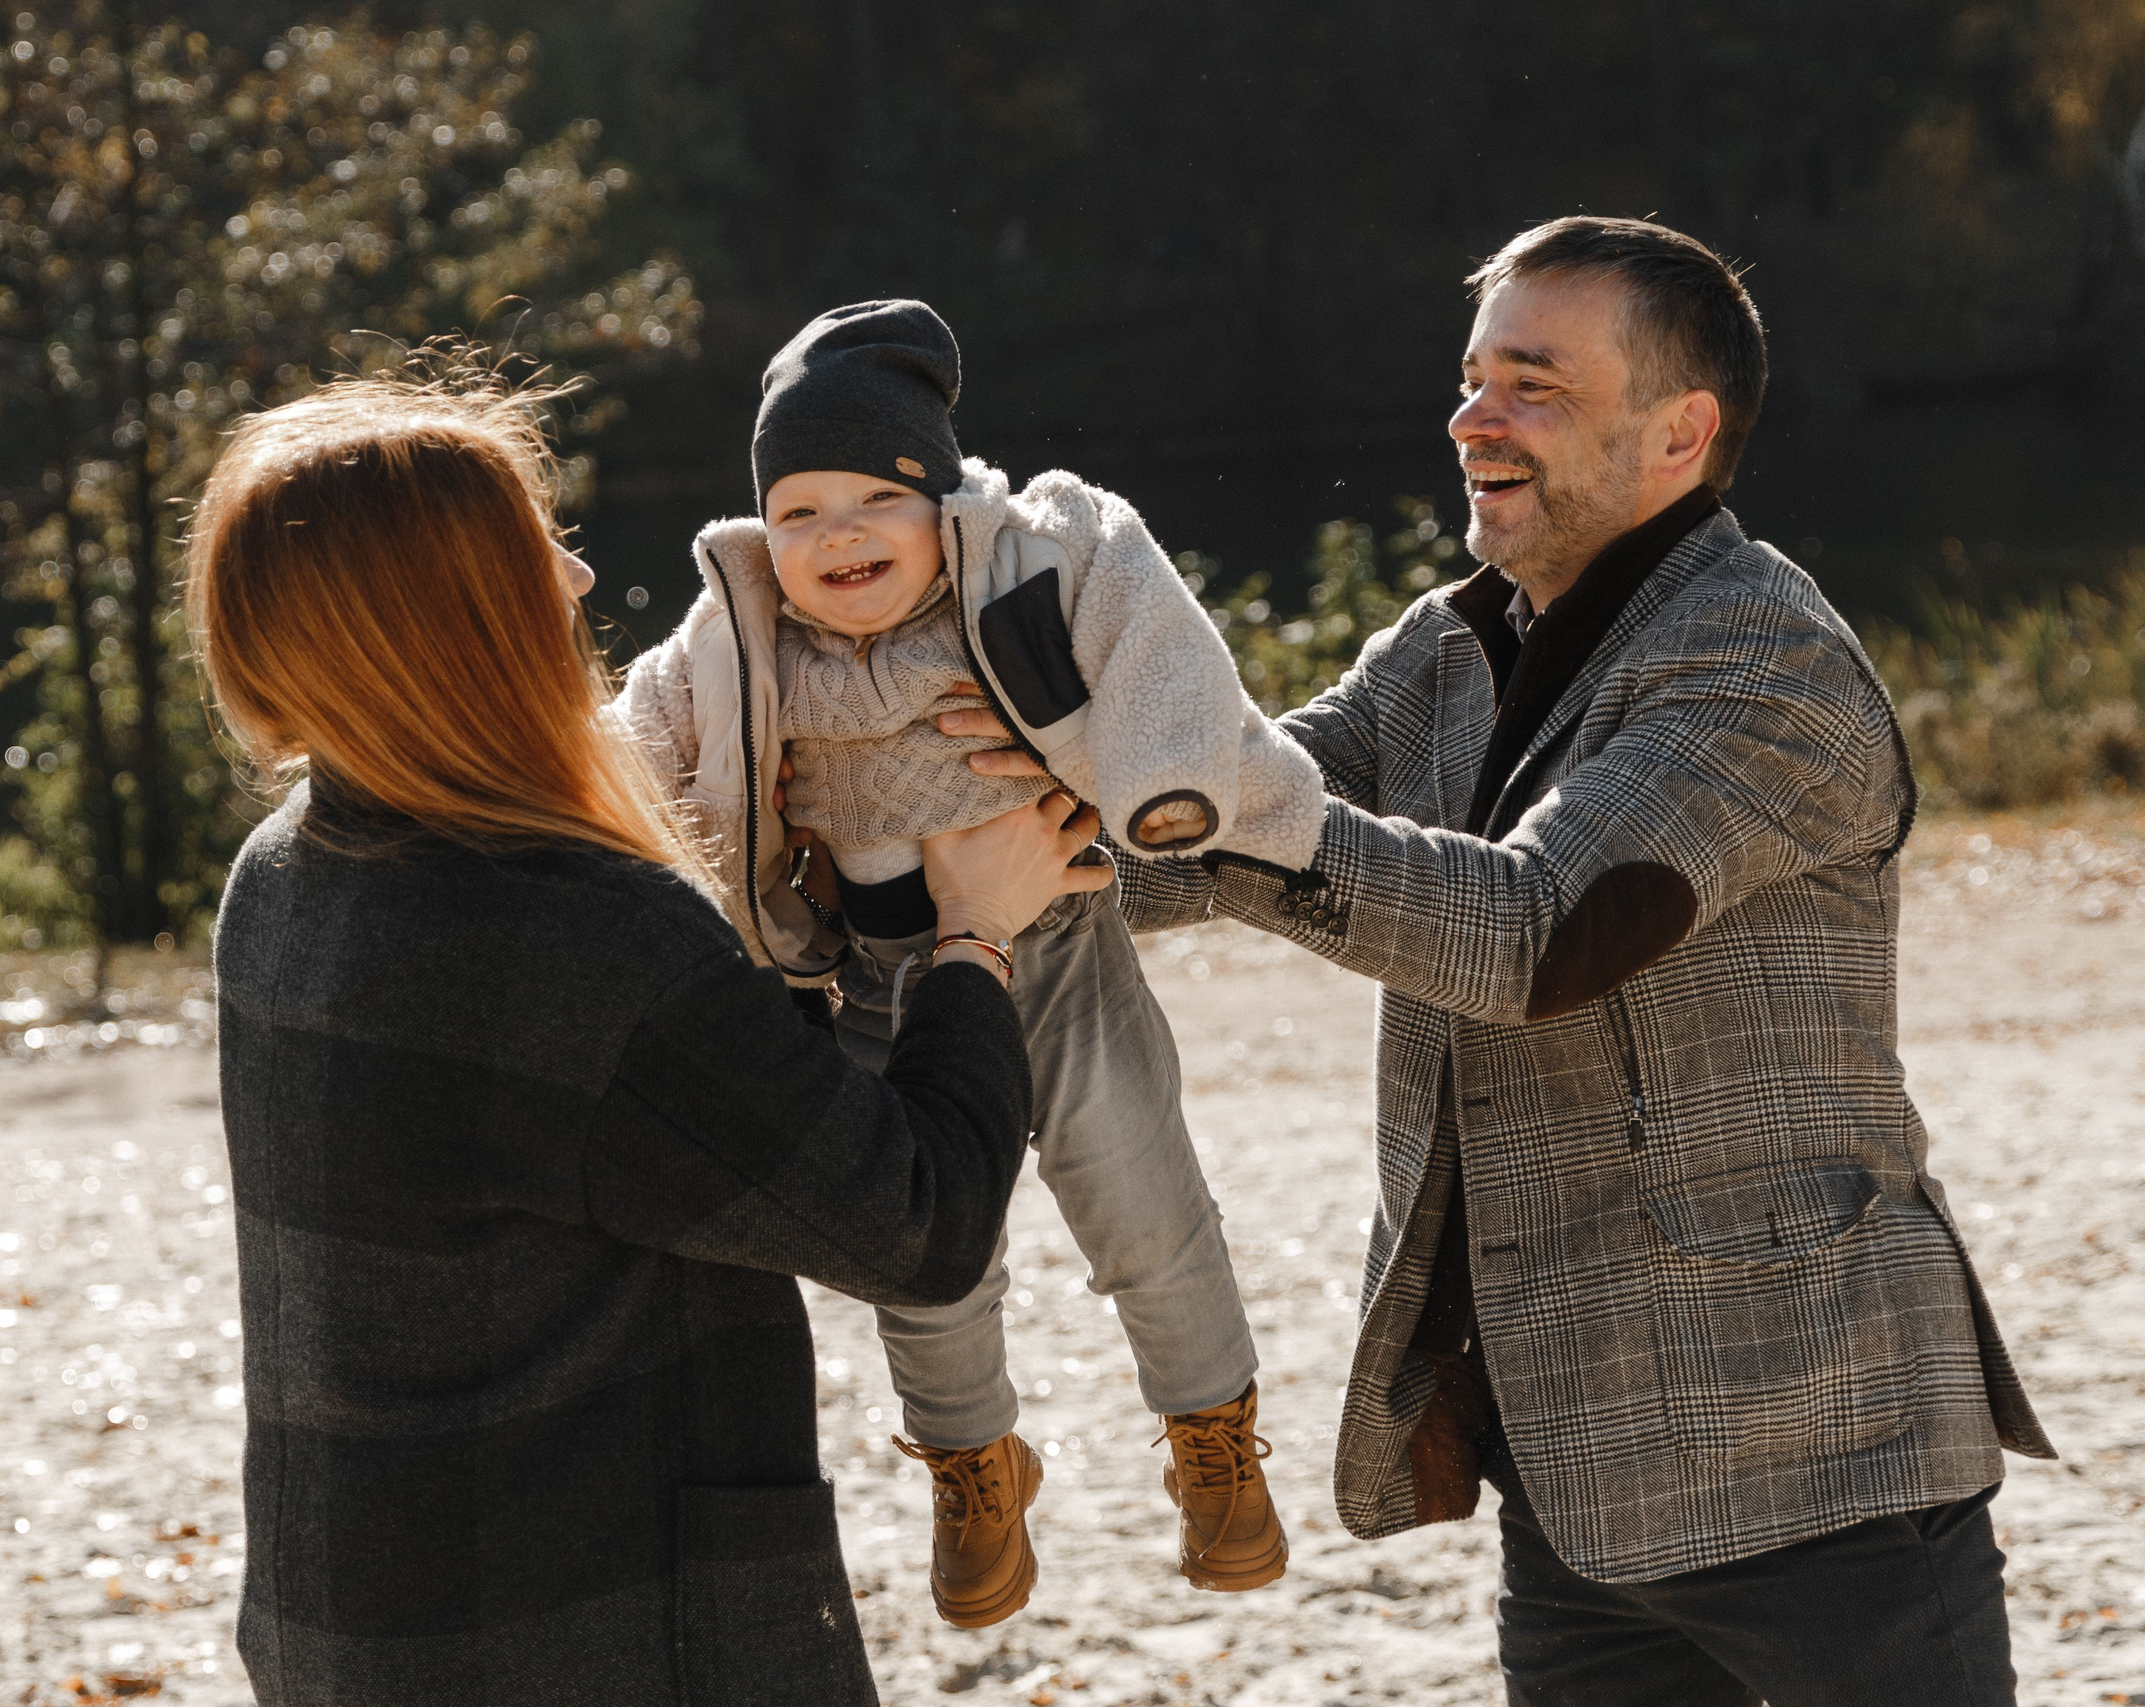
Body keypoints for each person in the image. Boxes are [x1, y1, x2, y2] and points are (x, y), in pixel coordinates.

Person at [946, 217, 2054, 1704]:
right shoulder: (1450, 640)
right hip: (1573, 1477)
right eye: (1474, 379)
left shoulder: (1759, 656)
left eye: (1533, 384)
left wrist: (1210, 813)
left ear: (1681, 432)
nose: (1474, 416)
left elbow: (1536, 932)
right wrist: (957, 844)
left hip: (1822, 1460)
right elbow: (1218, 825)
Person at [185, 370, 1112, 1706]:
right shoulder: (573, 936)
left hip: (352, 1618)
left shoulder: (284, 872)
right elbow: (917, 1222)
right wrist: (973, 934)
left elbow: (643, 1128)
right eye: (530, 551)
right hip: (596, 1632)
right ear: (450, 622)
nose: (571, 580)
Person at [614, 300, 1325, 1627]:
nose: (834, 539)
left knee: (1140, 1189)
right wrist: (649, 823)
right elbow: (630, 744)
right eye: (799, 511)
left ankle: (1211, 1438)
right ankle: (972, 1464)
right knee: (926, 1244)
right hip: (882, 973)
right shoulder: (742, 630)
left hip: (1055, 941)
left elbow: (1155, 636)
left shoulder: (1033, 561)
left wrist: (1159, 779)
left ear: (939, 500)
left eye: (870, 501)